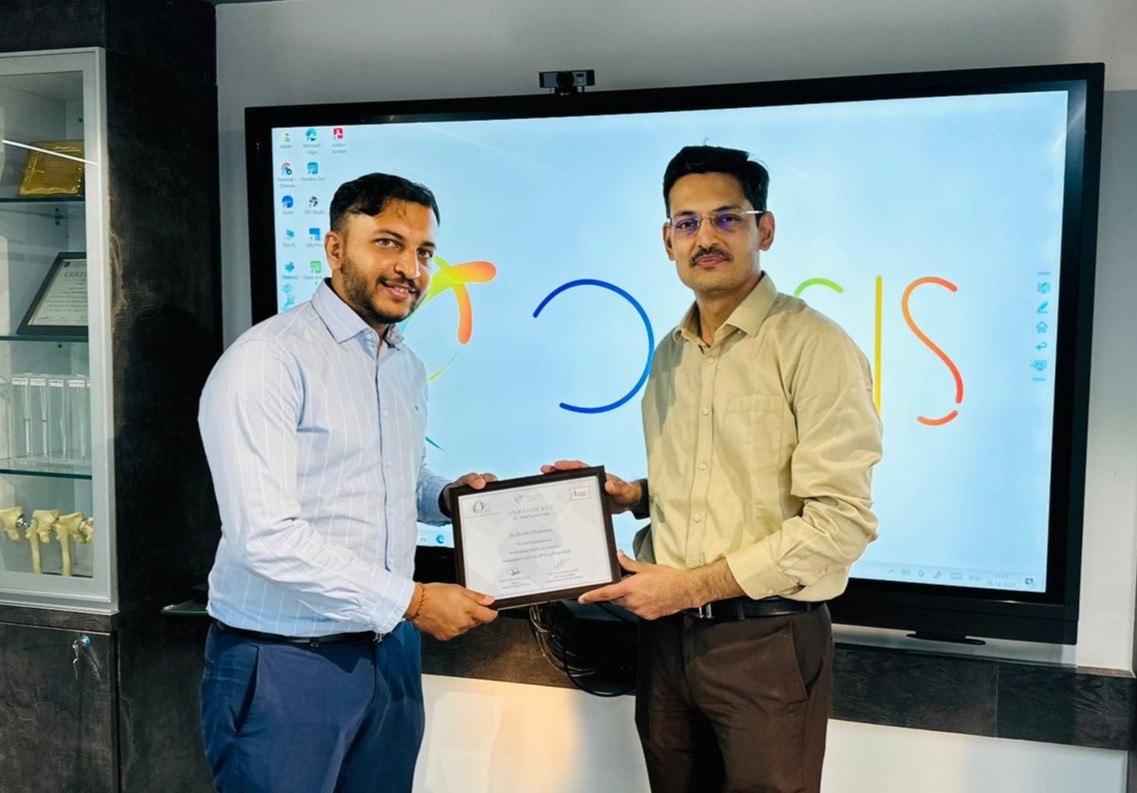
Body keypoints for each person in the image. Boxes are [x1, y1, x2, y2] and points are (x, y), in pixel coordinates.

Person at [544, 145, 882, 793]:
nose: (705, 238)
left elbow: (841, 522)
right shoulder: (670, 354)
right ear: (667, 240)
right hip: (665, 641)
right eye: (687, 222)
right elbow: (718, 480)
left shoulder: (815, 346)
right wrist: (633, 495)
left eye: (727, 218)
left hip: (766, 641)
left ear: (765, 229)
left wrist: (690, 587)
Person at [198, 172, 499, 793]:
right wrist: (416, 603)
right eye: (388, 243)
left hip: (390, 656)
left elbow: (393, 477)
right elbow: (266, 537)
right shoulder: (268, 359)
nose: (410, 269)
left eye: (424, 252)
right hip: (284, 661)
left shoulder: (404, 364)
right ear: (335, 250)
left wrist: (449, 499)